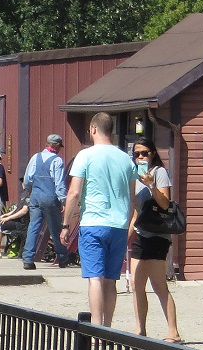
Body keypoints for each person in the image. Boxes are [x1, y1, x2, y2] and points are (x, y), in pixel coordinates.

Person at [61, 112, 137, 328]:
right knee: (111, 279)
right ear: (111, 130)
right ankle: (108, 327)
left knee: (95, 277)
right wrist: (128, 221)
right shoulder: (126, 159)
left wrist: (66, 224)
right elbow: (131, 198)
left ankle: (95, 327)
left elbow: (74, 193)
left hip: (93, 223)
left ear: (93, 129)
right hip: (119, 225)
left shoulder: (85, 156)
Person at [128, 138, 182, 342]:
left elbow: (165, 203)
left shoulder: (159, 173)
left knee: (158, 284)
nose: (140, 157)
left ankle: (173, 331)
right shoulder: (136, 176)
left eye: (144, 153)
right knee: (136, 283)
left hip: (158, 234)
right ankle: (140, 329)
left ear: (153, 154)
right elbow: (135, 212)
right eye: (136, 154)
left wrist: (151, 185)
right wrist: (127, 236)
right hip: (142, 233)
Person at [21, 134, 69, 270]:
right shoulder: (57, 161)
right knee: (55, 229)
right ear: (57, 146)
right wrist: (64, 201)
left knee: (33, 226)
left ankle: (28, 259)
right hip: (50, 197)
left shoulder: (35, 158)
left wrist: (32, 191)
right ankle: (62, 257)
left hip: (36, 196)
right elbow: (59, 184)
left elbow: (27, 180)